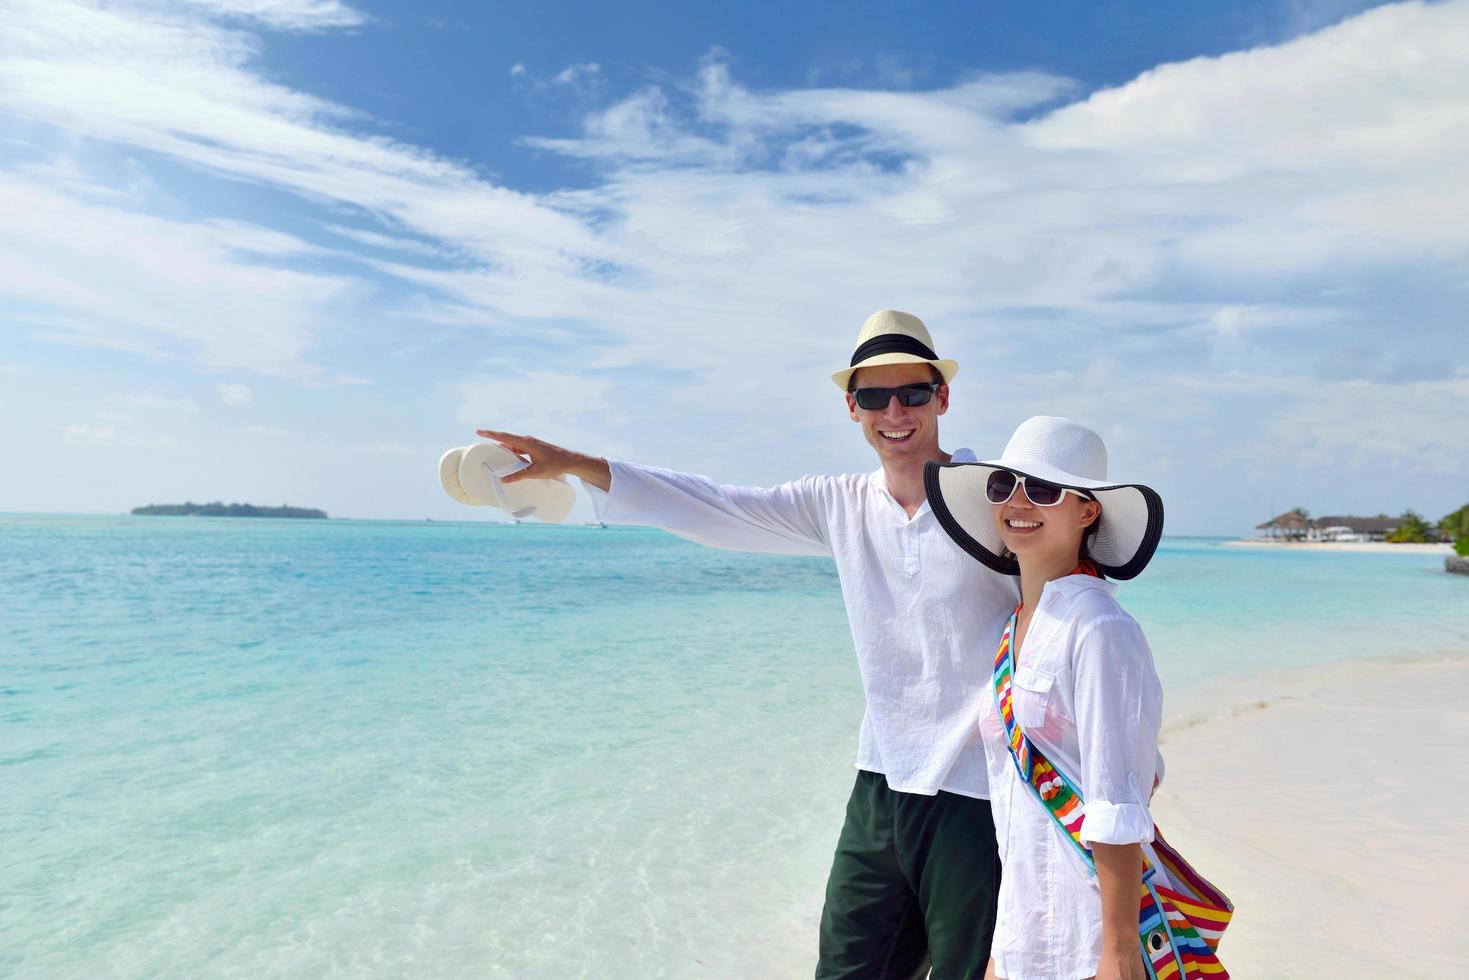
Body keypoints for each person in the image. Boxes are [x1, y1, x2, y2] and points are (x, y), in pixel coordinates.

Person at [477, 309, 1018, 978]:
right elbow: (716, 507)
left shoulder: (999, 499)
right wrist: (579, 466)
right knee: (847, 967)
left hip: (980, 789)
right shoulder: (838, 502)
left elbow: (1074, 614)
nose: (894, 411)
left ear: (941, 396)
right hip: (881, 780)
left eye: (911, 392)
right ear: (851, 407)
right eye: (874, 397)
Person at [923, 416, 1169, 980]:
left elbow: (1118, 802)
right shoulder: (1016, 627)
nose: (1017, 501)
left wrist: (1119, 952)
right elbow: (1018, 808)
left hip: (1084, 939)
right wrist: (1001, 950)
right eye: (1002, 486)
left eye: (1042, 489)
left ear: (1088, 511)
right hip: (1024, 937)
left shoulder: (1100, 626)